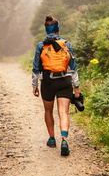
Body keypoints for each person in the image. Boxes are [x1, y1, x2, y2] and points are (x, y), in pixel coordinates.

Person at [32, 15, 81, 156]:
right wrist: (76, 87)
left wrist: (34, 85)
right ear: (58, 29)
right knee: (63, 112)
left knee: (48, 110)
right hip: (64, 81)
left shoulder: (41, 45)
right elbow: (73, 67)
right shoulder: (66, 44)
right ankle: (64, 139)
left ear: (46, 30)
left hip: (47, 82)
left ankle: (52, 139)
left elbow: (36, 67)